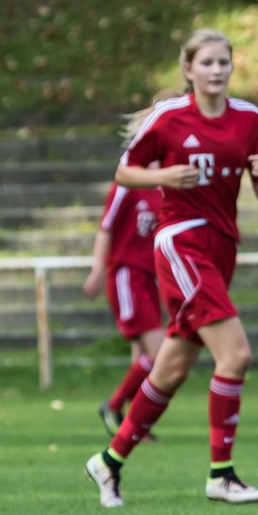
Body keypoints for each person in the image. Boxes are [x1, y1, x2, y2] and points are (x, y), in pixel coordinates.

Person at [84, 28, 258, 508]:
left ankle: (108, 462)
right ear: (188, 69)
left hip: (222, 245)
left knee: (171, 369)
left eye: (223, 62)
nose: (217, 70)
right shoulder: (171, 118)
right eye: (207, 62)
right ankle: (221, 474)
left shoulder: (249, 119)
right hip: (181, 242)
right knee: (235, 355)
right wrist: (163, 176)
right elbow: (124, 172)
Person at [82, 181, 165, 441]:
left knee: (143, 357)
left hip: (149, 278)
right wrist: (97, 269)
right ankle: (114, 406)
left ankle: (135, 421)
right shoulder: (126, 186)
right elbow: (106, 227)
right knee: (161, 354)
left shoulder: (162, 189)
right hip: (127, 275)